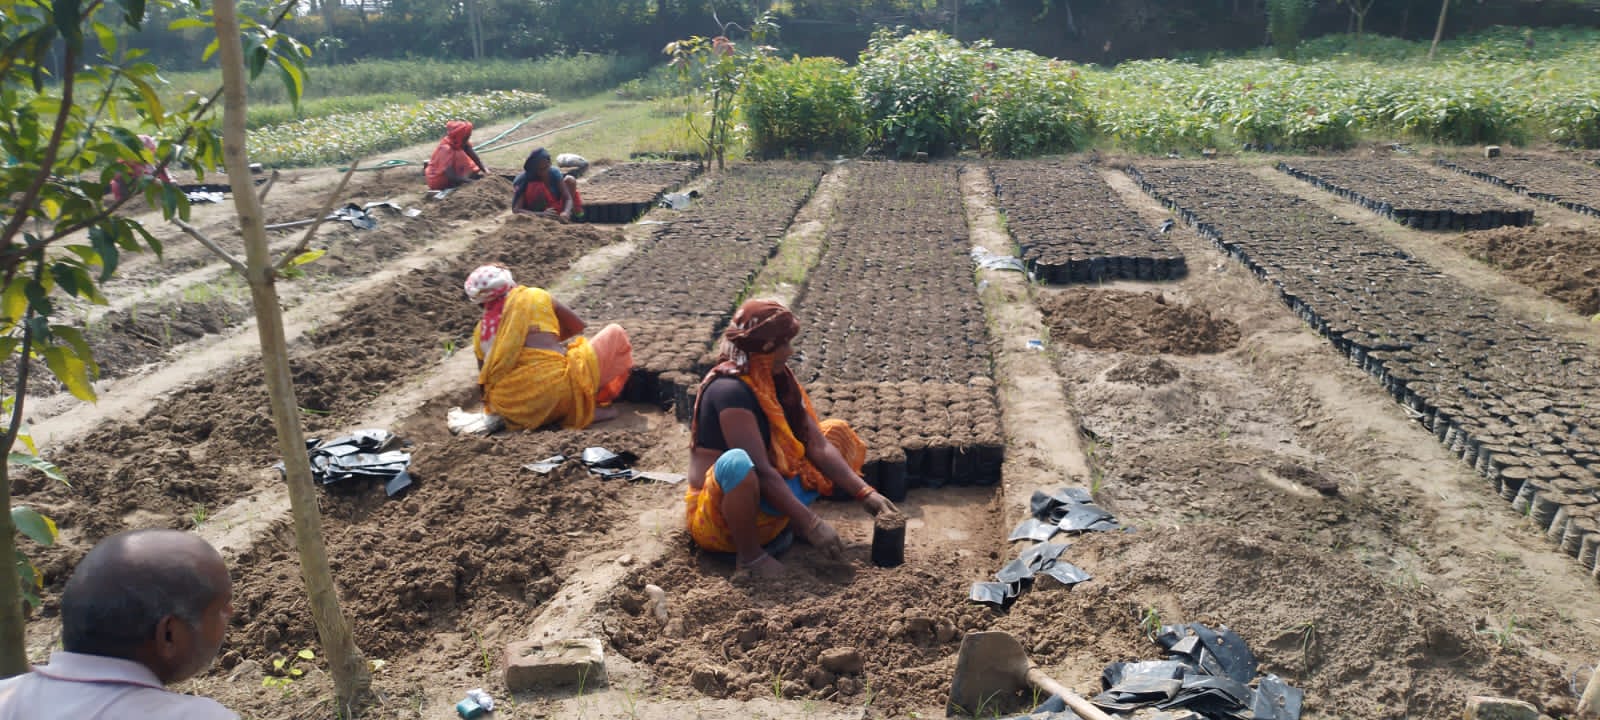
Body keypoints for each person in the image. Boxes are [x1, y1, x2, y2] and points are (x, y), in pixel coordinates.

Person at [686, 299, 898, 577]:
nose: (790, 351)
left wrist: (865, 493)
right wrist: (812, 524)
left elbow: (817, 444)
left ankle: (785, 525)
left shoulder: (779, 381)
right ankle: (750, 557)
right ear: (763, 349)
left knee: (834, 432)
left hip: (765, 497)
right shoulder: (729, 391)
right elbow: (760, 470)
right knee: (737, 463)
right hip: (719, 519)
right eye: (783, 344)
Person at [0, 529, 236, 719]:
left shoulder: (7, 697)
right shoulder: (194, 716)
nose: (231, 612)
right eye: (220, 608)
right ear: (168, 635)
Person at [466, 264, 632, 429]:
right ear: (509, 283)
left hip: (512, 407)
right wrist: (545, 337)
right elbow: (577, 326)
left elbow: (484, 381)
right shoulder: (535, 296)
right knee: (614, 333)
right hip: (554, 390)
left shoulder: (481, 332)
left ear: (480, 303)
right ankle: (586, 405)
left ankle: (554, 415)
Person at [512, 147, 582, 222]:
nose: (544, 172)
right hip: (535, 211)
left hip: (554, 207)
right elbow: (516, 210)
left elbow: (568, 198)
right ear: (534, 169)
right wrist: (541, 214)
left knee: (570, 180)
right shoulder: (525, 179)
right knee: (537, 187)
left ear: (550, 164)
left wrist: (566, 212)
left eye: (546, 168)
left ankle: (567, 216)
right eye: (540, 169)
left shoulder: (554, 173)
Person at [425, 120, 487, 191]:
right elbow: (451, 176)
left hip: (454, 176)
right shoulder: (446, 149)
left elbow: (474, 157)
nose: (468, 138)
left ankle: (464, 178)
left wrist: (486, 171)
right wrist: (472, 182)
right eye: (466, 137)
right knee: (461, 157)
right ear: (459, 136)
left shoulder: (460, 142)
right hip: (439, 180)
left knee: (469, 165)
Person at [109, 135, 173, 202]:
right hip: (128, 187)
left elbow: (160, 166)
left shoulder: (149, 154)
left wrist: (170, 179)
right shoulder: (127, 159)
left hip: (144, 179)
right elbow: (141, 175)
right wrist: (159, 183)